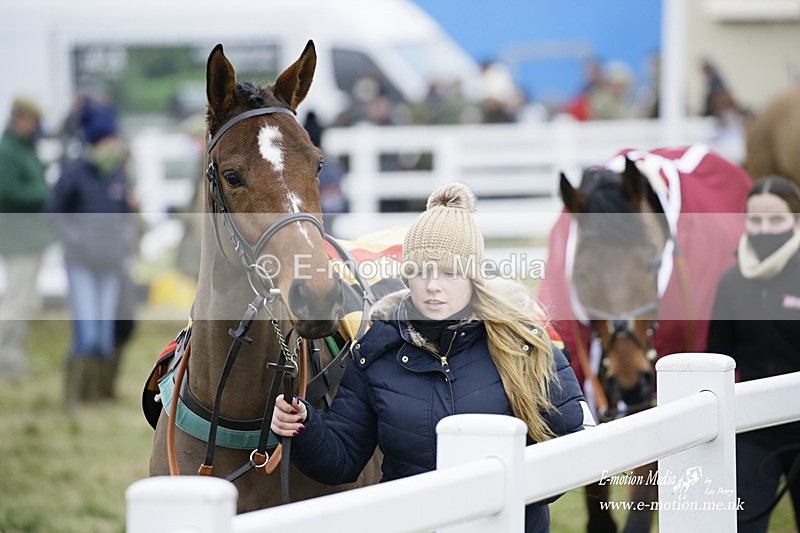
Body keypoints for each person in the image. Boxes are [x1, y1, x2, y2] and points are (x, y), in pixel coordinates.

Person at [272, 182, 589, 531]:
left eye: (449, 272)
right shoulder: (376, 351)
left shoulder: (523, 343)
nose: (433, 285)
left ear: (472, 277)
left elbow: (569, 446)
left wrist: (500, 495)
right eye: (421, 271)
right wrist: (303, 426)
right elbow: (342, 459)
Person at [706, 176, 800, 532]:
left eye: (776, 220)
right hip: (753, 425)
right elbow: (717, 355)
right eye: (755, 220)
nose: (765, 229)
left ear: (796, 221)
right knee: (742, 524)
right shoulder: (732, 281)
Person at [46, 97, 137, 407]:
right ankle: (73, 398)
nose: (116, 144)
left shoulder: (117, 175)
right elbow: (55, 214)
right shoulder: (74, 174)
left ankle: (98, 396)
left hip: (111, 264)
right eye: (111, 139)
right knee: (87, 335)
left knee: (104, 336)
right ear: (97, 141)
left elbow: (126, 214)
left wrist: (125, 239)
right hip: (81, 264)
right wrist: (78, 239)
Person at [0, 97, 55, 380]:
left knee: (25, 302)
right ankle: (6, 359)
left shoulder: (23, 148)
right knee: (15, 302)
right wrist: (45, 194)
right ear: (21, 119)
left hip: (31, 238)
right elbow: (7, 192)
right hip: (17, 238)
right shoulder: (7, 150)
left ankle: (14, 358)